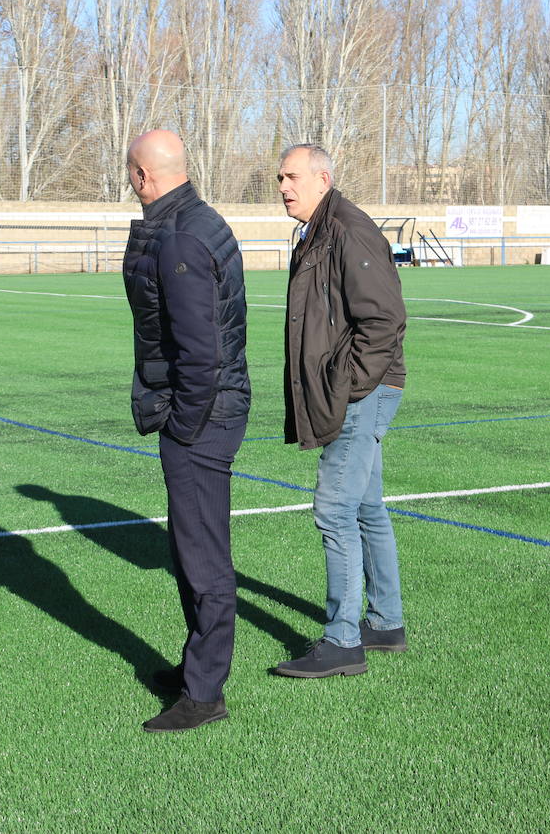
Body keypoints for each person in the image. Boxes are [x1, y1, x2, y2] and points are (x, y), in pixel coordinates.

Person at [121, 129, 251, 731]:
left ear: (144, 175)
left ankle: (205, 694)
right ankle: (196, 665)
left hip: (202, 418)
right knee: (188, 547)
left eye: (131, 172)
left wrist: (182, 425)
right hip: (207, 411)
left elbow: (200, 354)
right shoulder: (198, 222)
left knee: (202, 557)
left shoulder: (179, 237)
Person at [272, 143, 408, 679]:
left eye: (291, 177)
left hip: (362, 390)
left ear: (323, 178)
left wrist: (347, 385)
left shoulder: (347, 229)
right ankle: (385, 622)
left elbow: (384, 320)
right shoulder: (320, 228)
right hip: (358, 388)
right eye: (279, 178)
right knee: (365, 505)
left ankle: (343, 639)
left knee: (334, 510)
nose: (283, 187)